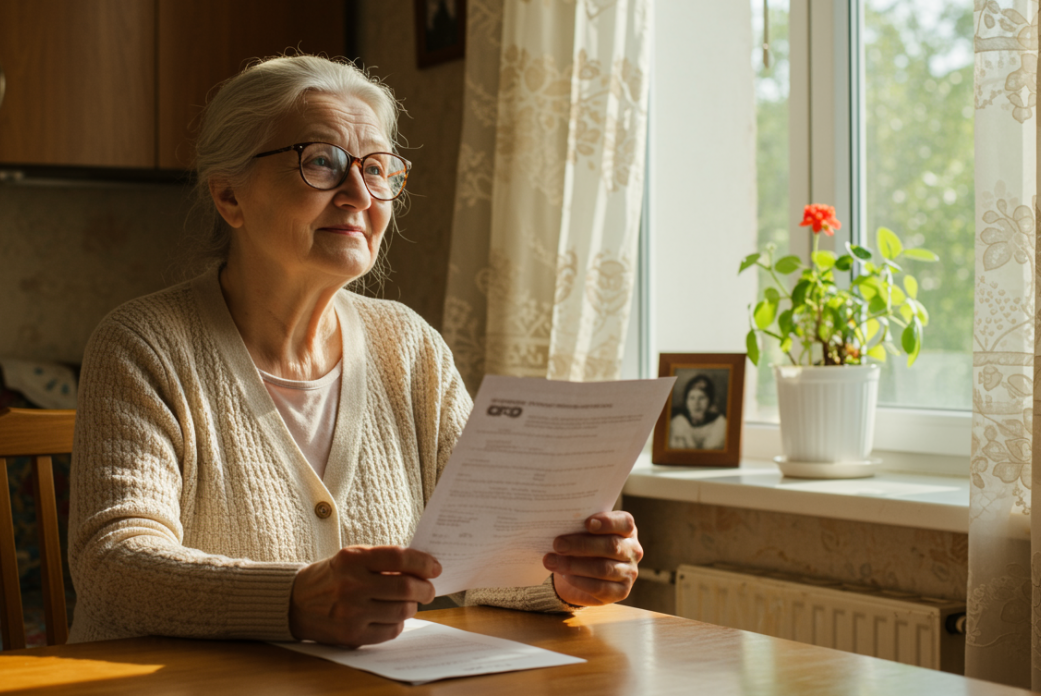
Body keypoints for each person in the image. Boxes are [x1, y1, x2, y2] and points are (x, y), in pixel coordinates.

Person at [66, 55, 643, 648]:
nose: (359, 195)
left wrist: (564, 574)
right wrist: (295, 599)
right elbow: (112, 561)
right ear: (230, 196)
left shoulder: (409, 347)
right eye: (321, 161)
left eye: (376, 169)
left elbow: (483, 553)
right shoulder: (142, 344)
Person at [669, 375, 727, 451]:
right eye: (692, 398)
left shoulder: (720, 423)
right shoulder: (678, 423)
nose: (696, 403)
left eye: (701, 398)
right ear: (686, 401)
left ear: (710, 401)